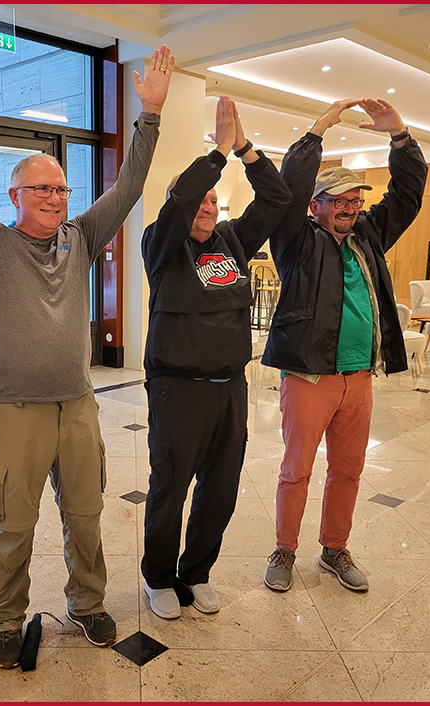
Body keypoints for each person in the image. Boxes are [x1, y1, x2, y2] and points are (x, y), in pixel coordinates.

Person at [0, 5, 173, 668]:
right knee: (10, 528)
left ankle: (88, 603)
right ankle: (6, 619)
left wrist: (148, 115)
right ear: (15, 193)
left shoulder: (81, 240)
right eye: (43, 187)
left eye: (62, 187)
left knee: (88, 522)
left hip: (78, 406)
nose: (57, 196)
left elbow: (129, 186)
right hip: (12, 412)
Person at [261, 98, 428, 592]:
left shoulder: (368, 235)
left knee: (349, 471)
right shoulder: (296, 239)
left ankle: (334, 548)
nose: (350, 210)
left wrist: (400, 136)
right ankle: (284, 550)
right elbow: (288, 193)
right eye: (340, 202)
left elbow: (408, 196)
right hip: (310, 377)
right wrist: (315, 134)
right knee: (297, 471)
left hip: (359, 378)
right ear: (317, 206)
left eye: (355, 202)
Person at [140, 97, 291, 619]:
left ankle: (195, 572)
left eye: (212, 202)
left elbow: (276, 200)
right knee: (170, 488)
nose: (206, 207)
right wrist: (216, 154)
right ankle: (158, 578)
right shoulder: (159, 245)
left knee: (221, 488)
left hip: (230, 387)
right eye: (198, 202)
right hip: (177, 388)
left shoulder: (231, 240)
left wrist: (246, 151)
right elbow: (180, 198)